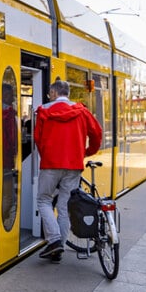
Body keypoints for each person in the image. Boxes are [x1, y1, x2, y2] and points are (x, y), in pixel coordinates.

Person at [35, 79, 102, 262]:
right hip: (73, 166)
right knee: (63, 207)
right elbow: (97, 133)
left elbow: (38, 139)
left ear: (54, 93)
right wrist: (87, 152)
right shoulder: (82, 111)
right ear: (68, 93)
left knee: (43, 200)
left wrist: (47, 156)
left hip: (50, 164)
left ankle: (55, 240)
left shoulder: (44, 111)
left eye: (50, 93)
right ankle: (59, 247)